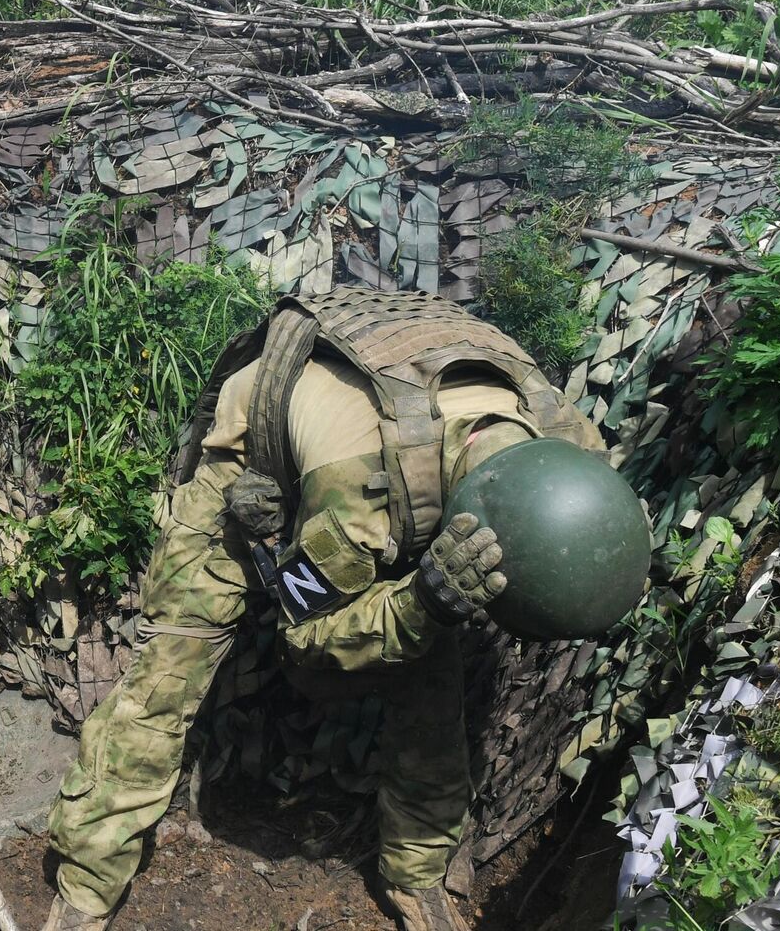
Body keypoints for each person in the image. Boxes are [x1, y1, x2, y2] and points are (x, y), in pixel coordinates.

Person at [40, 287, 652, 931]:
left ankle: (418, 872)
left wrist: (429, 611)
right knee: (169, 670)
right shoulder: (355, 491)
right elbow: (306, 629)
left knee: (430, 667)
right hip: (263, 453)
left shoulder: (570, 445)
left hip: (402, 443)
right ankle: (87, 880)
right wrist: (422, 602)